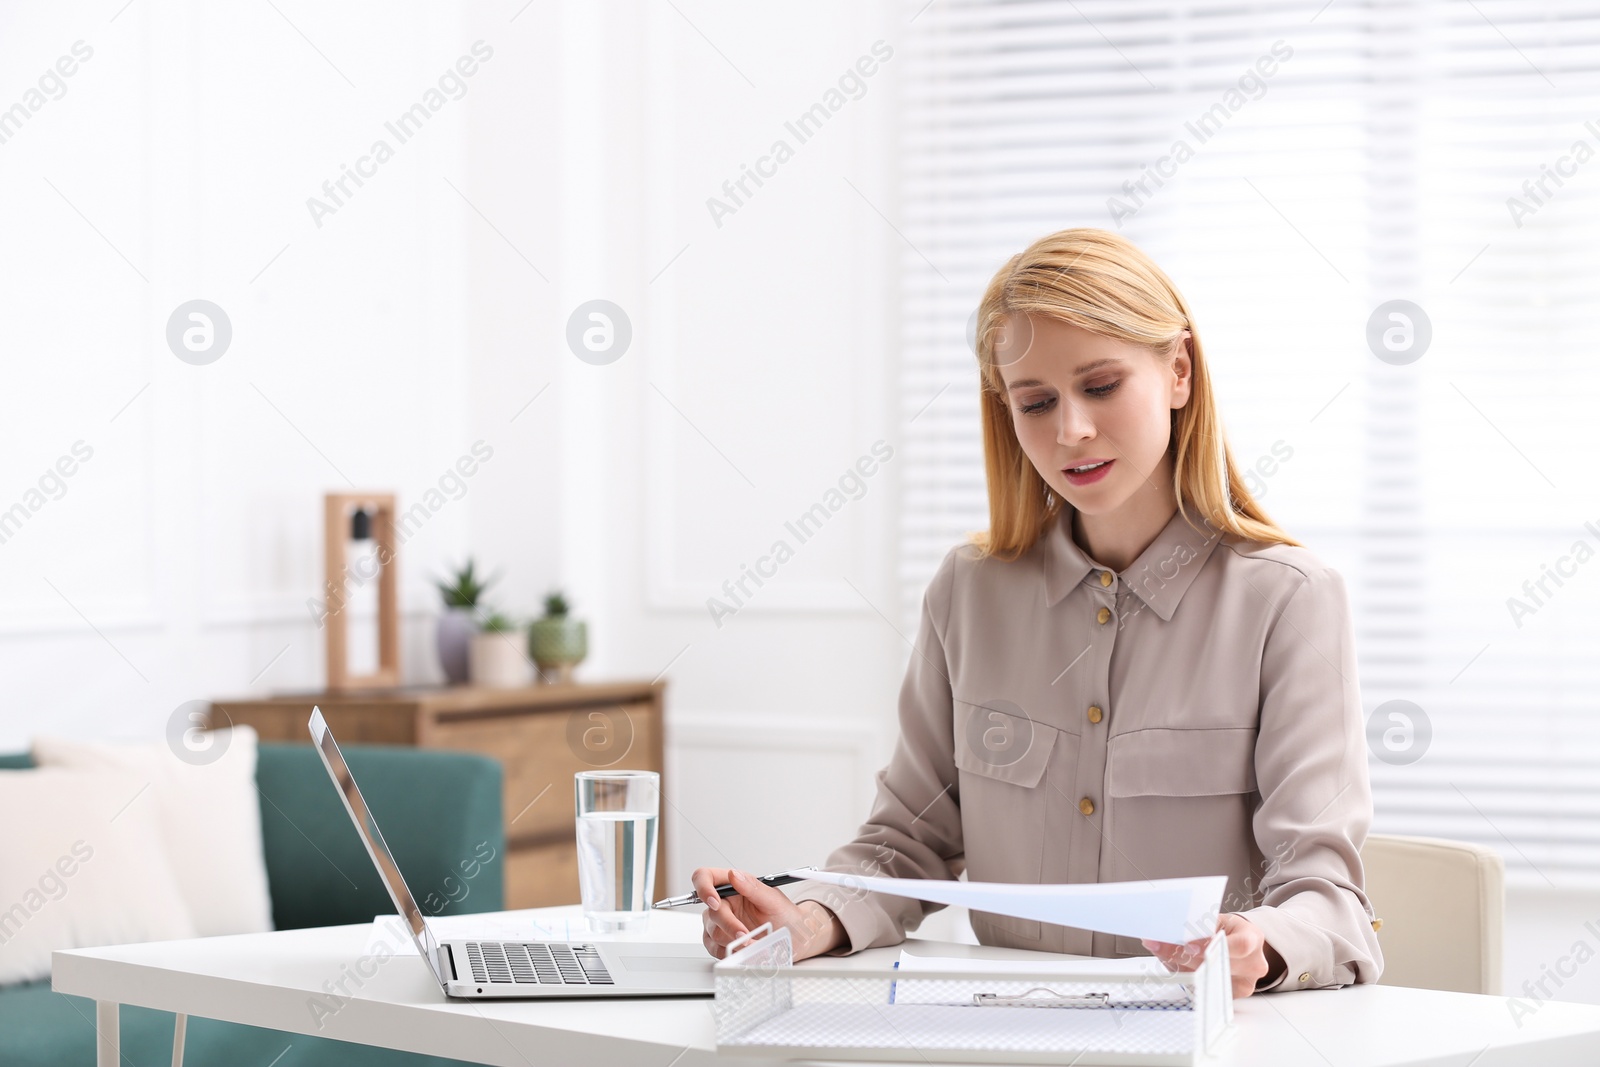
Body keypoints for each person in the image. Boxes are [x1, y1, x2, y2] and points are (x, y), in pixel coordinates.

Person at [692, 227, 1384, 997]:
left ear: (1178, 370)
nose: (1071, 431)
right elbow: (907, 841)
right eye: (1036, 401)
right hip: (1005, 1031)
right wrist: (805, 921)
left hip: (1204, 1037)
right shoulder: (969, 589)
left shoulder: (1288, 599)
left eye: (1100, 386)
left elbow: (1328, 897)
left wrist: (1261, 943)